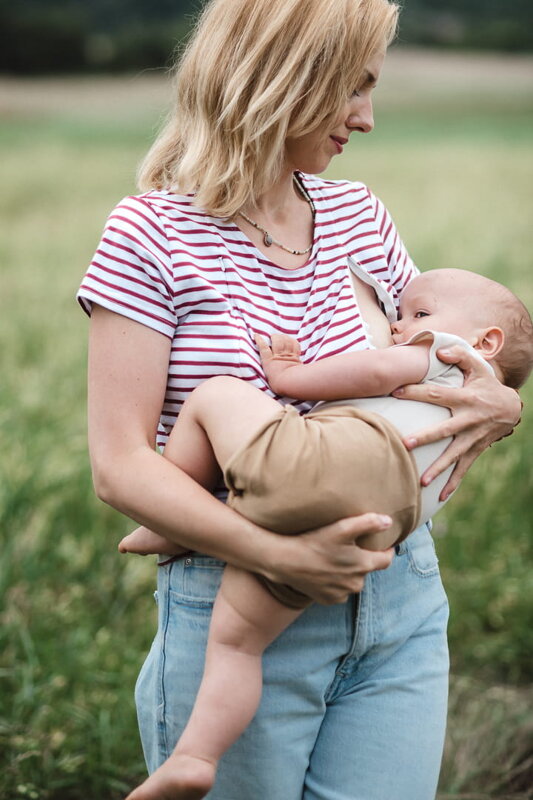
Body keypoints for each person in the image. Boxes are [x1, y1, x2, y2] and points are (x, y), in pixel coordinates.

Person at [78, 1, 522, 798]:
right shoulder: (150, 234)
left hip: (400, 598)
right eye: (352, 89)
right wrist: (279, 556)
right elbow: (118, 468)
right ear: (281, 82)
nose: (367, 118)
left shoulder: (358, 215)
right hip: (240, 600)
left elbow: (432, 369)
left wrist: (502, 408)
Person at [119, 267, 532, 799]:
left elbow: (373, 368)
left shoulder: (446, 352)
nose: (397, 326)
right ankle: (196, 758)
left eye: (416, 316)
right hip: (366, 534)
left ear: (487, 342)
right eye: (400, 314)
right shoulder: (468, 394)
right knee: (241, 646)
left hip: (319, 465)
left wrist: (288, 376)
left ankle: (174, 523)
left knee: (216, 395)